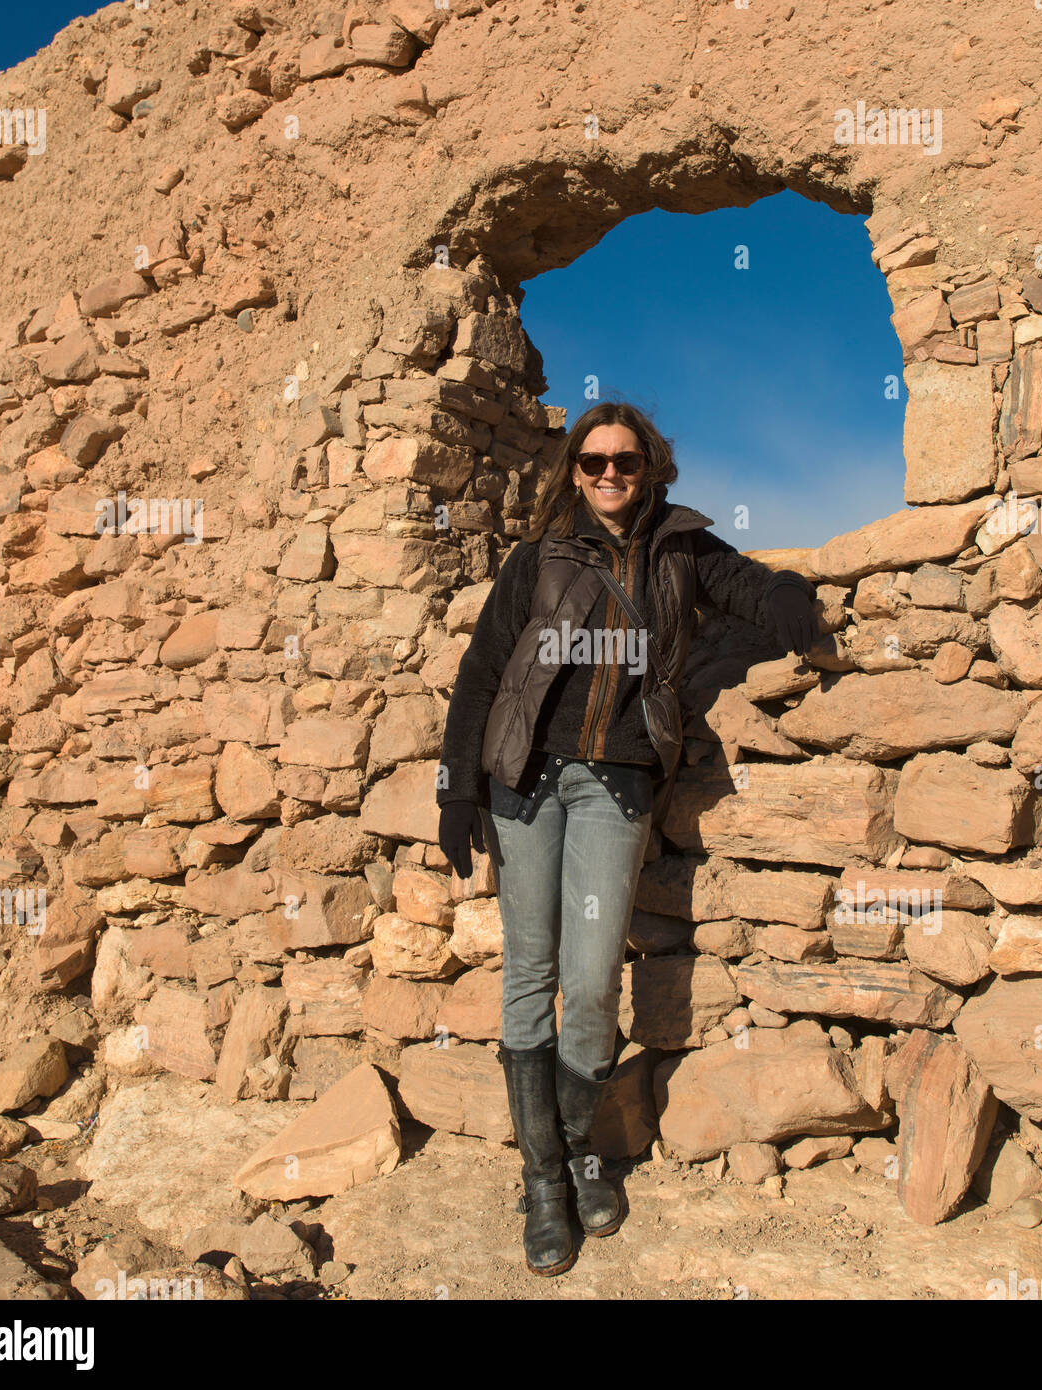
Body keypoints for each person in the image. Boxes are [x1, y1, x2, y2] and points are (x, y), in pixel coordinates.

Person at [435, 400, 816, 1276]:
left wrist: (793, 598)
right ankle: (546, 1182)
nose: (610, 475)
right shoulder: (536, 560)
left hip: (617, 782)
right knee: (529, 971)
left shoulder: (683, 549)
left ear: (653, 469)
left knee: (594, 979)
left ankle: (579, 1153)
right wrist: (458, 787)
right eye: (594, 462)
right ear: (574, 471)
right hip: (524, 781)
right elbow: (483, 672)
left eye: (626, 462)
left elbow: (753, 589)